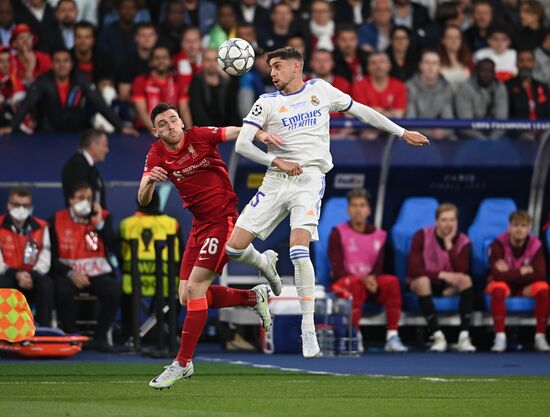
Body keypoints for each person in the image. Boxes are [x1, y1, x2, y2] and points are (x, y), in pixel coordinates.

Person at [225, 46, 427, 359]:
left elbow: (362, 111)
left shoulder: (320, 89)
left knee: (298, 249)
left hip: (308, 178)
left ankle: (308, 328)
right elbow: (241, 145)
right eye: (271, 68)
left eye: (278, 67)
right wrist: (274, 161)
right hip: (277, 180)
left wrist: (402, 133)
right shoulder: (266, 102)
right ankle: (264, 263)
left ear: (296, 66)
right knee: (234, 248)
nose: (273, 73)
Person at [139, 102, 283, 389]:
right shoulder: (156, 153)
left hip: (223, 219)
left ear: (181, 121)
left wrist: (259, 134)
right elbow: (142, 199)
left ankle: (183, 362)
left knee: (195, 289)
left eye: (174, 119)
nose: (171, 126)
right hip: (199, 225)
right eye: (164, 124)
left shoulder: (200, 136)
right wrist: (150, 184)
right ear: (156, 131)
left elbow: (233, 133)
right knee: (185, 296)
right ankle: (253, 298)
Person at [328, 188, 407, 352]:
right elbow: (337, 269)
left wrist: (372, 278)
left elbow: (378, 267)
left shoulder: (380, 235)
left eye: (362, 205)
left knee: (391, 282)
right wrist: (364, 280)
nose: (358, 210)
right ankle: (354, 336)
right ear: (348, 210)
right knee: (355, 283)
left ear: (369, 210)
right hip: (346, 285)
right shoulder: (338, 233)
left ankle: (392, 336)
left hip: (370, 284)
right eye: (354, 206)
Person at [50, 182, 120, 352]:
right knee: (62, 289)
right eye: (81, 198)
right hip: (68, 273)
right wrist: (70, 273)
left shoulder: (103, 217)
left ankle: (100, 337)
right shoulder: (56, 220)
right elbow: (50, 257)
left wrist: (99, 224)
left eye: (89, 199)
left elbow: (115, 246)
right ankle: (72, 335)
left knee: (113, 290)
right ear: (71, 200)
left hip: (97, 272)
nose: (86, 202)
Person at [5, 49, 136, 135]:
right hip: (49, 134)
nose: (62, 65)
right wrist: (11, 127)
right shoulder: (43, 81)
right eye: (58, 61)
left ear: (71, 64)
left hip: (76, 133)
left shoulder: (80, 79)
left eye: (65, 61)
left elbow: (99, 103)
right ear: (52, 64)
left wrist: (121, 127)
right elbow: (28, 103)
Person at [408, 203, 476, 352]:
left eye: (452, 220)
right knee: (422, 281)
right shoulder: (421, 235)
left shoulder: (464, 240)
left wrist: (449, 245)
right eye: (444, 220)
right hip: (427, 282)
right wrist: (442, 274)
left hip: (448, 287)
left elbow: (462, 270)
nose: (448, 224)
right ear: (436, 221)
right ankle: (437, 335)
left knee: (466, 280)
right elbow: (413, 270)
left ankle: (464, 336)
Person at [486, 210, 549, 352]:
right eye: (515, 225)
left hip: (525, 287)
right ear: (509, 228)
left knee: (544, 288)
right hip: (505, 286)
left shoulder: (536, 245)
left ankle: (540, 336)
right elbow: (497, 275)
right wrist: (522, 270)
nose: (519, 229)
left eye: (523, 225)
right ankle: (500, 337)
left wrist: (509, 272)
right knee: (498, 288)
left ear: (529, 229)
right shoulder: (498, 244)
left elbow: (540, 274)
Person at [0, 187, 53, 327]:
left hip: (32, 276)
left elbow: (45, 259)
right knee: (3, 285)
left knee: (47, 285)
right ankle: (8, 330)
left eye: (25, 206)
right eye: (17, 205)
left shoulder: (42, 227)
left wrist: (30, 275)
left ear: (31, 207)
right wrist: (16, 274)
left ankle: (43, 330)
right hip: (7, 274)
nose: (21, 209)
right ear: (9, 206)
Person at [131, 45, 192, 132]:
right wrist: (157, 132)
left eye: (164, 57)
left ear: (171, 61)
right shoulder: (140, 81)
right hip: (146, 131)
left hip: (172, 130)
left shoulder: (178, 82)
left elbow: (184, 109)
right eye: (157, 58)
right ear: (151, 62)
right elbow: (142, 112)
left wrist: (189, 132)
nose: (161, 61)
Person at [406, 49, 454, 140]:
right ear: (420, 66)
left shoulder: (446, 88)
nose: (431, 67)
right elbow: (410, 120)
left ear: (439, 67)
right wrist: (428, 133)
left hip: (440, 137)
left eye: (435, 63)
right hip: (415, 137)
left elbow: (449, 120)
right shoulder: (409, 86)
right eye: (427, 63)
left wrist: (443, 132)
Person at [455, 58, 508, 140]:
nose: (486, 74)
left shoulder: (500, 88)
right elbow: (465, 123)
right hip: (469, 137)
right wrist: (483, 142)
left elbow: (501, 121)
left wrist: (492, 140)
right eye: (483, 71)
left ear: (494, 73)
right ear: (476, 72)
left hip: (495, 138)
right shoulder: (465, 88)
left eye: (490, 71)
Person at [188, 48, 240, 127]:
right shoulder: (197, 82)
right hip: (205, 130)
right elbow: (198, 111)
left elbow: (233, 111)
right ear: (202, 62)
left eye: (215, 60)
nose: (212, 64)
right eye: (208, 60)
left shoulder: (226, 82)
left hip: (226, 131)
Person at [62, 129, 109, 209]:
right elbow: (79, 200)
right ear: (94, 145)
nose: (107, 150)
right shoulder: (76, 166)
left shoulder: (89, 166)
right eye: (104, 146)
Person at [351, 51, 407, 118]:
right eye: (373, 63)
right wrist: (387, 113)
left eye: (382, 62)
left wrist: (376, 112)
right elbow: (360, 113)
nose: (378, 66)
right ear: (368, 67)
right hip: (365, 127)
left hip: (391, 128)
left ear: (389, 65)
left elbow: (399, 114)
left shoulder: (399, 86)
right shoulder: (359, 86)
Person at [506, 49, 550, 121]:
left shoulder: (543, 87)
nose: (525, 64)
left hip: (542, 129)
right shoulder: (507, 86)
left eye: (529, 60)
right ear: (516, 63)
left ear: (534, 63)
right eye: (521, 60)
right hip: (516, 129)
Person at [439, 25, 473, 91]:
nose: (454, 41)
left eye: (457, 37)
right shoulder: (436, 61)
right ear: (443, 40)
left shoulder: (469, 60)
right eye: (450, 37)